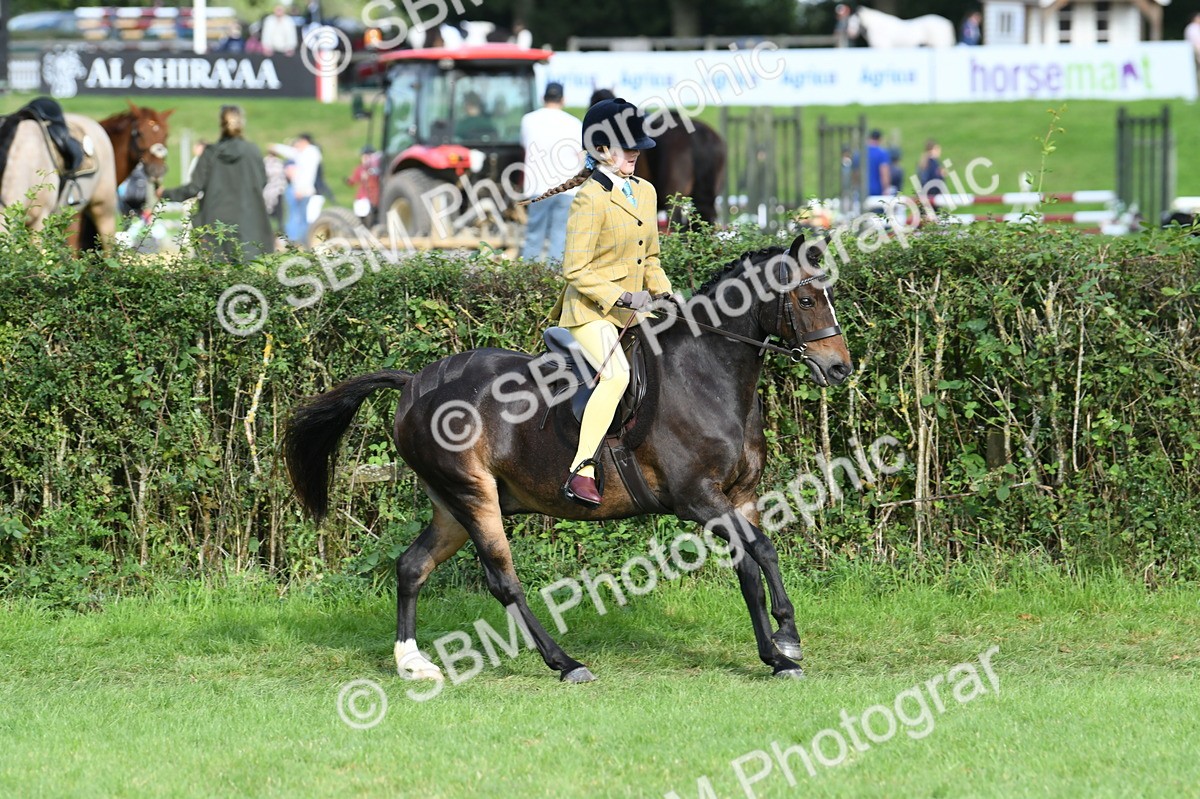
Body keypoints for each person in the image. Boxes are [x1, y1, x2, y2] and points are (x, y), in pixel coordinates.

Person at [528, 98, 674, 507]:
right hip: (590, 312)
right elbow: (574, 269)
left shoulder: (645, 192)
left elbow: (652, 259)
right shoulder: (589, 199)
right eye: (627, 147)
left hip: (633, 310)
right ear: (600, 150)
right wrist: (621, 295)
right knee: (615, 377)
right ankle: (582, 469)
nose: (636, 154)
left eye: (637, 146)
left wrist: (665, 293)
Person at [158, 105, 274, 261]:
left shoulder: (211, 153)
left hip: (214, 226)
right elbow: (262, 181)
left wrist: (164, 193)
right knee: (246, 279)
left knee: (213, 278)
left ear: (221, 124)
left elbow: (193, 188)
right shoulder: (253, 151)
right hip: (248, 224)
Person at [520, 82, 583, 263]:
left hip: (537, 186)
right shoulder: (573, 122)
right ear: (563, 99)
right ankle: (553, 280)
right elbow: (580, 156)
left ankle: (527, 278)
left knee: (534, 235)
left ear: (543, 98)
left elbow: (524, 145)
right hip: (566, 188)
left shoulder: (528, 120)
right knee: (559, 236)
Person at [270, 133, 322, 244]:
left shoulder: (309, 154)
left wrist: (300, 188)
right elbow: (291, 152)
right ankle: (302, 239)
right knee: (301, 216)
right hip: (305, 189)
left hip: (302, 189)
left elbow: (306, 174)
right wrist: (277, 147)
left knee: (295, 215)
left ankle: (294, 240)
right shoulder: (308, 153)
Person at [347, 146, 381, 221]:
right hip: (363, 197)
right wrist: (349, 180)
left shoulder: (377, 169)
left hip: (375, 197)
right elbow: (353, 180)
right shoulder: (360, 169)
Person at [866, 129, 892, 197]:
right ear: (880, 139)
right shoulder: (882, 153)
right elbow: (884, 173)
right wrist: (886, 189)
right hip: (877, 191)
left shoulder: (860, 153)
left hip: (862, 189)